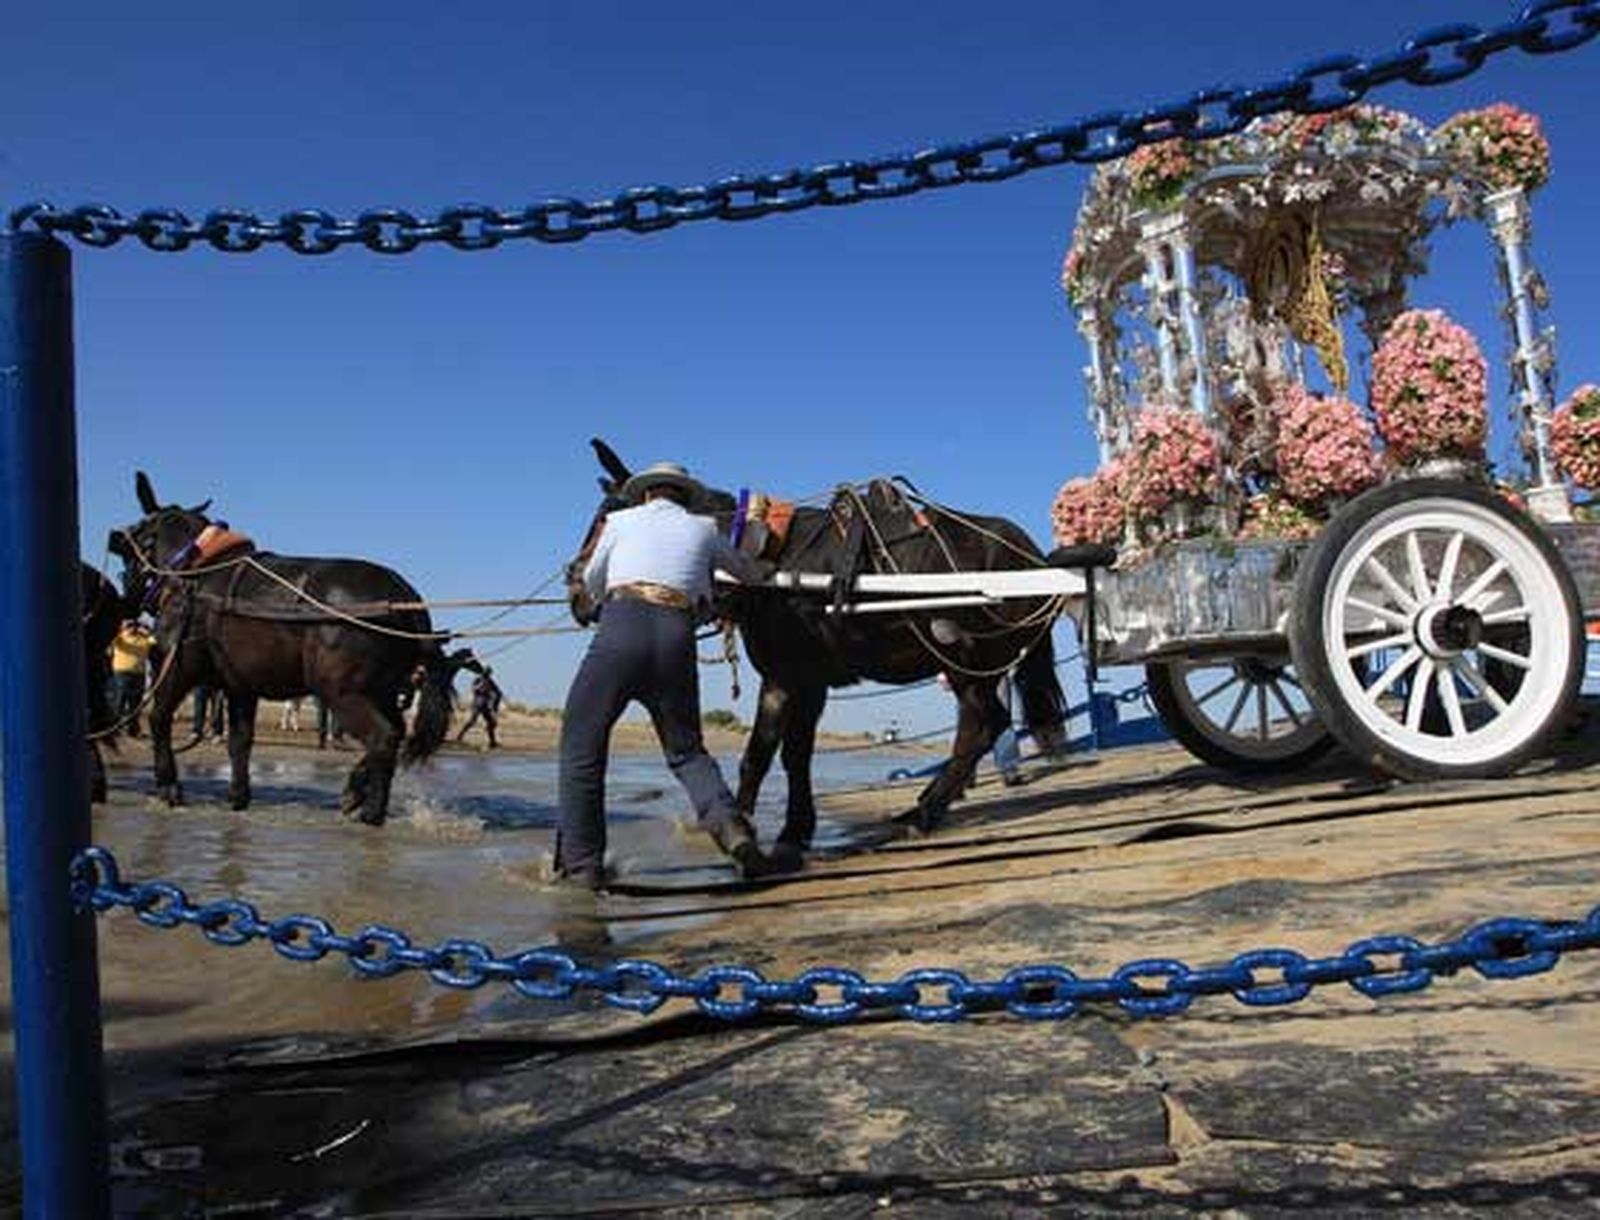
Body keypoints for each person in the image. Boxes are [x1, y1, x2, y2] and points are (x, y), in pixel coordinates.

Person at [556, 461, 773, 888]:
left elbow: (593, 582)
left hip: (620, 629)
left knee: (581, 743)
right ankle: (736, 836)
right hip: (676, 636)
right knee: (687, 752)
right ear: (684, 496)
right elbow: (747, 573)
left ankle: (582, 864)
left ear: (645, 494)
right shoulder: (706, 530)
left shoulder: (619, 521)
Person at [108, 619, 156, 737]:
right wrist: (121, 629)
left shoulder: (144, 639)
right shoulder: (120, 638)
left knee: (135, 705)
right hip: (122, 674)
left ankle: (134, 730)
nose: (132, 628)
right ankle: (114, 729)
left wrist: (146, 630)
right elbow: (111, 642)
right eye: (129, 625)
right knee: (119, 702)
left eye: (134, 625)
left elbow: (155, 640)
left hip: (138, 674)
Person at [455, 665, 505, 749]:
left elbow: (498, 692)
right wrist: (481, 685)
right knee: (472, 721)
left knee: (491, 723)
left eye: (489, 673)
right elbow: (474, 689)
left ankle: (492, 742)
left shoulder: (490, 681)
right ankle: (459, 736)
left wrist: (495, 702)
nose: (488, 674)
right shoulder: (478, 679)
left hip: (486, 704)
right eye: (487, 672)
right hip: (477, 703)